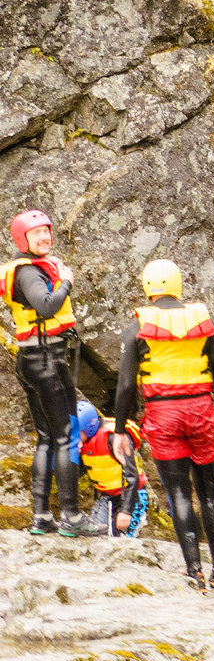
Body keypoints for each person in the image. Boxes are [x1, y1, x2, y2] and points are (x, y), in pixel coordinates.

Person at [113, 259, 214, 590]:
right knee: (209, 489)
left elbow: (125, 387)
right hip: (200, 411)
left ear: (148, 288)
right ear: (178, 285)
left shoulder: (137, 327)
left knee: (179, 492)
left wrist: (120, 430)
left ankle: (194, 570)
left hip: (162, 415)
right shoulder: (202, 321)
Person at [5, 209, 86, 536]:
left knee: (46, 437)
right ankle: (71, 518)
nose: (44, 237)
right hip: (47, 360)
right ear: (22, 239)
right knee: (67, 437)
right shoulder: (27, 272)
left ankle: (41, 517)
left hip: (31, 359)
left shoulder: (28, 268)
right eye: (36, 233)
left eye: (46, 231)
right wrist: (67, 280)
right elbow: (47, 306)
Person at [73, 399, 150, 538]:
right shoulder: (82, 443)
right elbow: (76, 475)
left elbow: (133, 477)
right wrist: (75, 456)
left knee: (123, 539)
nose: (73, 436)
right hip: (106, 498)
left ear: (88, 427)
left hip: (132, 496)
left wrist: (126, 511)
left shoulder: (113, 438)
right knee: (94, 537)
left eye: (76, 432)